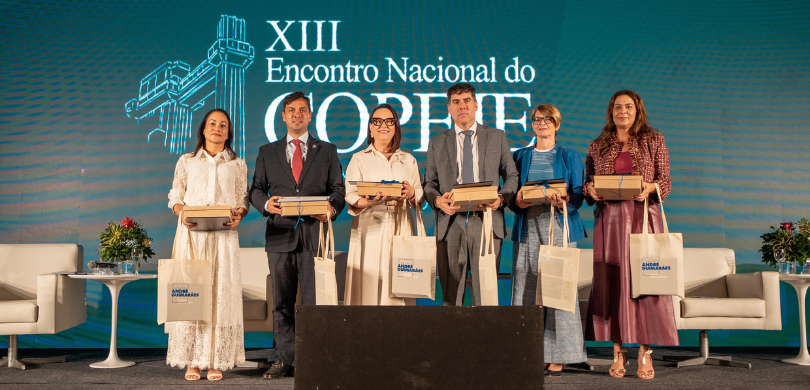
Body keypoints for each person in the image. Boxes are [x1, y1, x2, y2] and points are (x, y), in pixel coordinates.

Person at [249, 91, 346, 379]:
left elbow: (338, 190)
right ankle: (283, 360)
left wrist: (331, 207)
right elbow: (255, 190)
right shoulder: (267, 152)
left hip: (315, 236)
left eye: (302, 109)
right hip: (279, 235)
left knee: (315, 303)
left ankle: (314, 358)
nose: (297, 114)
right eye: (291, 110)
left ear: (310, 115)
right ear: (283, 115)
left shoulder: (326, 150)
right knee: (282, 302)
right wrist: (267, 204)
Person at [583, 90, 677, 380]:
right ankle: (618, 350)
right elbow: (587, 183)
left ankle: (645, 351)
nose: (622, 111)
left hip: (643, 220)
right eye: (617, 107)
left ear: (638, 110)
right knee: (613, 284)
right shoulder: (597, 145)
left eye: (628, 106)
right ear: (610, 112)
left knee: (645, 282)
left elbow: (665, 181)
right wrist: (590, 190)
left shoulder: (654, 139)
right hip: (609, 222)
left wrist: (649, 188)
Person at [166, 108, 249, 381]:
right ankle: (192, 360)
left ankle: (215, 360)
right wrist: (182, 212)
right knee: (192, 294)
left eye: (223, 125)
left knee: (220, 296)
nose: (217, 128)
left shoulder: (237, 164)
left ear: (229, 132)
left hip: (223, 238)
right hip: (192, 237)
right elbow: (176, 195)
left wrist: (239, 214)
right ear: (203, 129)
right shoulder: (187, 161)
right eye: (212, 124)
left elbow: (242, 199)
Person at [509, 104, 588, 377]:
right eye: (537, 119)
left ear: (557, 123)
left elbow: (578, 195)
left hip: (559, 225)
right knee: (525, 290)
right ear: (532, 124)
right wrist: (516, 199)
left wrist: (564, 198)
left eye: (547, 119)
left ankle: (559, 355)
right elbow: (512, 195)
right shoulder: (519, 156)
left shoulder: (569, 155)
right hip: (528, 226)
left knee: (559, 293)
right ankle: (529, 351)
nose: (542, 123)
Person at [423, 82, 519, 306]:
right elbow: (429, 183)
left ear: (476, 105)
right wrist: (437, 200)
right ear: (449, 108)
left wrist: (501, 198)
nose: (462, 106)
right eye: (456, 102)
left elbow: (512, 176)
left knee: (485, 296)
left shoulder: (496, 137)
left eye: (467, 101)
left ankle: (485, 342)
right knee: (451, 298)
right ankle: (452, 341)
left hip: (485, 221)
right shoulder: (437, 142)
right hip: (450, 223)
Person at [344, 104, 425, 305]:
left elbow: (420, 196)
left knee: (401, 287)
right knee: (369, 287)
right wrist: (369, 200)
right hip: (370, 228)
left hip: (401, 227)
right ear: (370, 127)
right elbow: (351, 194)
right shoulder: (359, 159)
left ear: (396, 127)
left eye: (389, 121)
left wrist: (411, 192)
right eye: (378, 121)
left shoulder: (408, 160)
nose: (384, 126)